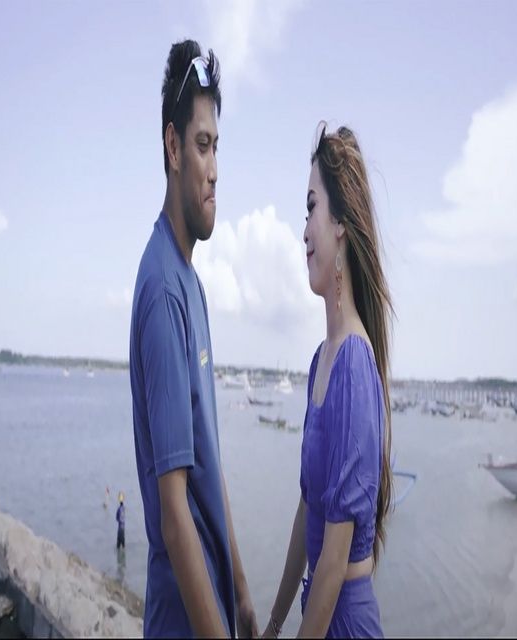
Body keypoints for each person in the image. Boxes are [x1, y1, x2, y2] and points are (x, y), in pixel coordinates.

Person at [129, 39, 258, 638]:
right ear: (173, 147)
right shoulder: (162, 289)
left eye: (217, 147)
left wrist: (244, 596)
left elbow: (208, 460)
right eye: (202, 145)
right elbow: (175, 514)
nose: (215, 169)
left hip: (214, 609)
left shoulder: (191, 284)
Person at [264, 123, 394, 639]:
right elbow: (307, 511)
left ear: (340, 223)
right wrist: (273, 624)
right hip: (319, 617)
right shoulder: (323, 360)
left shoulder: (354, 367)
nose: (303, 231)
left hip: (344, 623)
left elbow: (333, 568)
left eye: (311, 208)